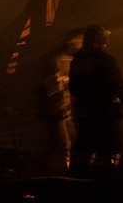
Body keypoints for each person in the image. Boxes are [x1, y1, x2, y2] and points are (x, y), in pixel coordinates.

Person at [67, 24, 123, 180]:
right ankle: (104, 180)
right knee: (107, 148)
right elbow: (117, 83)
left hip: (85, 113)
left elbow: (73, 87)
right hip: (106, 112)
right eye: (103, 36)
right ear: (99, 38)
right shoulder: (104, 59)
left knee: (84, 146)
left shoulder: (77, 60)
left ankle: (77, 179)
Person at [36, 28, 83, 174]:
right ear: (70, 41)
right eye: (79, 40)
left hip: (70, 108)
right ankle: (60, 170)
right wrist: (59, 107)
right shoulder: (57, 60)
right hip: (61, 109)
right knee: (62, 141)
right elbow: (53, 84)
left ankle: (66, 167)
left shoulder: (75, 60)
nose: (81, 43)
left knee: (70, 138)